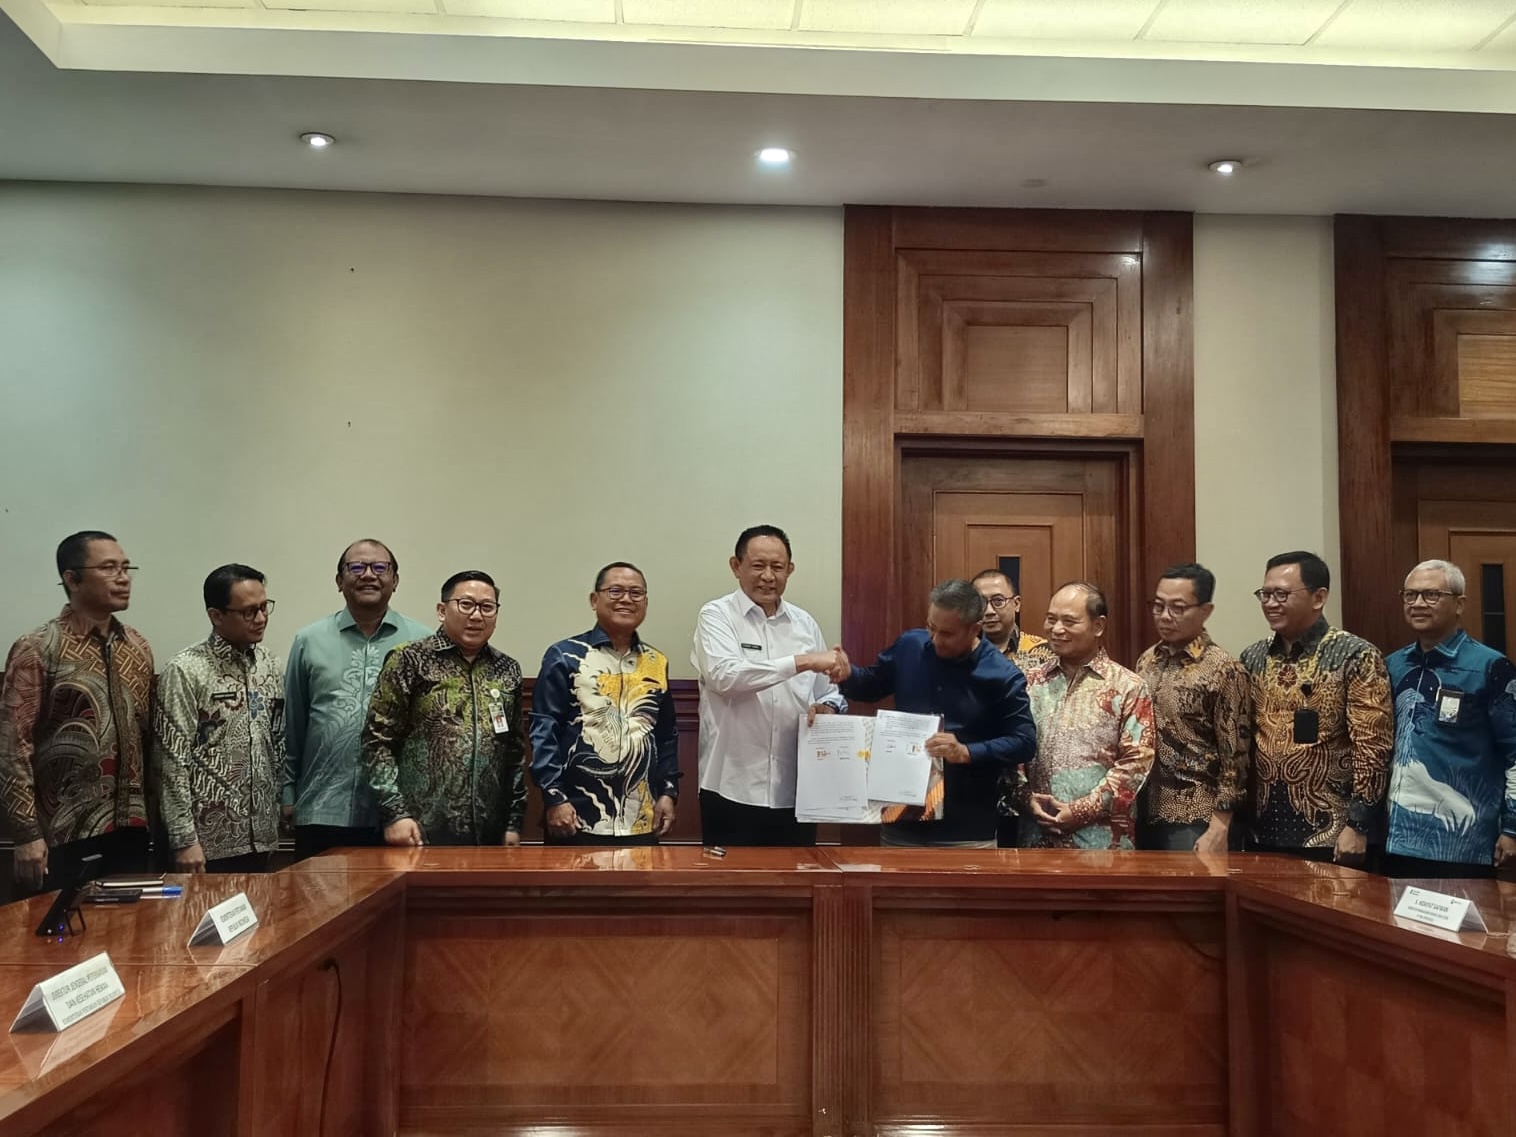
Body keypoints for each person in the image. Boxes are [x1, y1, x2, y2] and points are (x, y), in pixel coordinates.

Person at [0, 531, 155, 893]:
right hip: (62, 834)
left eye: (126, 568)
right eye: (109, 568)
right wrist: (26, 833)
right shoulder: (38, 648)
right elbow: (12, 747)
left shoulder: (137, 646)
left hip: (132, 830)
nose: (123, 578)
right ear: (72, 579)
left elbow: (149, 741)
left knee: (130, 927)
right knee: (60, 928)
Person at [837, 579, 1036, 848]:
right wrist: (848, 675)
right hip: (901, 820)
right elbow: (871, 685)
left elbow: (1024, 742)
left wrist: (966, 752)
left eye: (947, 634)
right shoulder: (910, 646)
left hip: (967, 830)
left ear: (974, 629)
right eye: (931, 627)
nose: (935, 640)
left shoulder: (1003, 675)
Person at [691, 525, 846, 847]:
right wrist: (801, 661)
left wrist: (828, 708)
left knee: (796, 877)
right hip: (730, 785)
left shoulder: (804, 624)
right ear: (736, 566)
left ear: (790, 570)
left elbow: (827, 691)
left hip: (795, 787)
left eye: (777, 567)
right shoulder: (716, 615)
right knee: (731, 878)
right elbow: (725, 677)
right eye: (758, 565)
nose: (768, 576)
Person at [283, 539, 433, 859]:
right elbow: (293, 724)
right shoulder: (309, 640)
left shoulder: (422, 643)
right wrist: (287, 793)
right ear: (339, 581)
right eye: (356, 567)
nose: (368, 575)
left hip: (398, 815)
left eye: (380, 567)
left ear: (395, 580)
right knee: (314, 893)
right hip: (321, 807)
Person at [1241, 550, 1392, 866]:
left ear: (1319, 597)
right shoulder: (1252, 657)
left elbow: (1372, 747)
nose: (1270, 603)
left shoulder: (1356, 655)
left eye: (1281, 594)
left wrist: (1359, 824)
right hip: (1261, 831)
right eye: (1265, 594)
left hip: (1333, 834)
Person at [363, 571, 526, 847]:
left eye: (487, 607)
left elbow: (514, 751)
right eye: (466, 604)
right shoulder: (410, 659)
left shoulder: (506, 669)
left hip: (490, 834)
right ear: (442, 610)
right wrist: (395, 813)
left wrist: (513, 822)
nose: (477, 615)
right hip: (418, 830)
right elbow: (376, 742)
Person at [1383, 559, 1516, 878]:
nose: (1417, 603)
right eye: (1410, 595)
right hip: (1395, 839)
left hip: (1463, 842)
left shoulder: (1490, 667)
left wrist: (1512, 829)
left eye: (1431, 595)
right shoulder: (1392, 665)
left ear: (1459, 604)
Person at [530, 562, 679, 845]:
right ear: (594, 599)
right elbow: (544, 731)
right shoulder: (565, 656)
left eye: (636, 593)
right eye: (615, 591)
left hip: (641, 818)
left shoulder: (656, 662)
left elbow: (666, 735)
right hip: (575, 816)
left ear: (646, 602)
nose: (626, 599)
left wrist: (668, 792)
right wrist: (554, 797)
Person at [154, 564, 284, 873]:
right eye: (249, 612)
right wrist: (184, 839)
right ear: (216, 615)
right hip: (206, 842)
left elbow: (277, 742)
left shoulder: (270, 665)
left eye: (264, 607)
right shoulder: (186, 670)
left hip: (262, 835)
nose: (261, 618)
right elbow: (171, 760)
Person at [1019, 581, 1154, 849]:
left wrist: (1081, 810)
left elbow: (1136, 763)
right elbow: (1012, 750)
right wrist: (1025, 798)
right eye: (1051, 619)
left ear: (1098, 626)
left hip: (1102, 842)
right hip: (1035, 836)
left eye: (1069, 621)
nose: (1057, 629)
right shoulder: (1028, 683)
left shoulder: (1128, 687)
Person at [1134, 563, 1252, 853]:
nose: (1165, 616)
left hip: (1195, 815)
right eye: (1158, 605)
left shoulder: (1224, 669)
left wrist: (1221, 824)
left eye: (1177, 608)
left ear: (1206, 610)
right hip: (1144, 808)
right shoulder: (1147, 660)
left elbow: (1236, 756)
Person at [972, 568, 1052, 668]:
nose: (989, 611)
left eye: (998, 601)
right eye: (980, 603)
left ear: (1016, 604)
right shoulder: (959, 653)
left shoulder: (1043, 651)